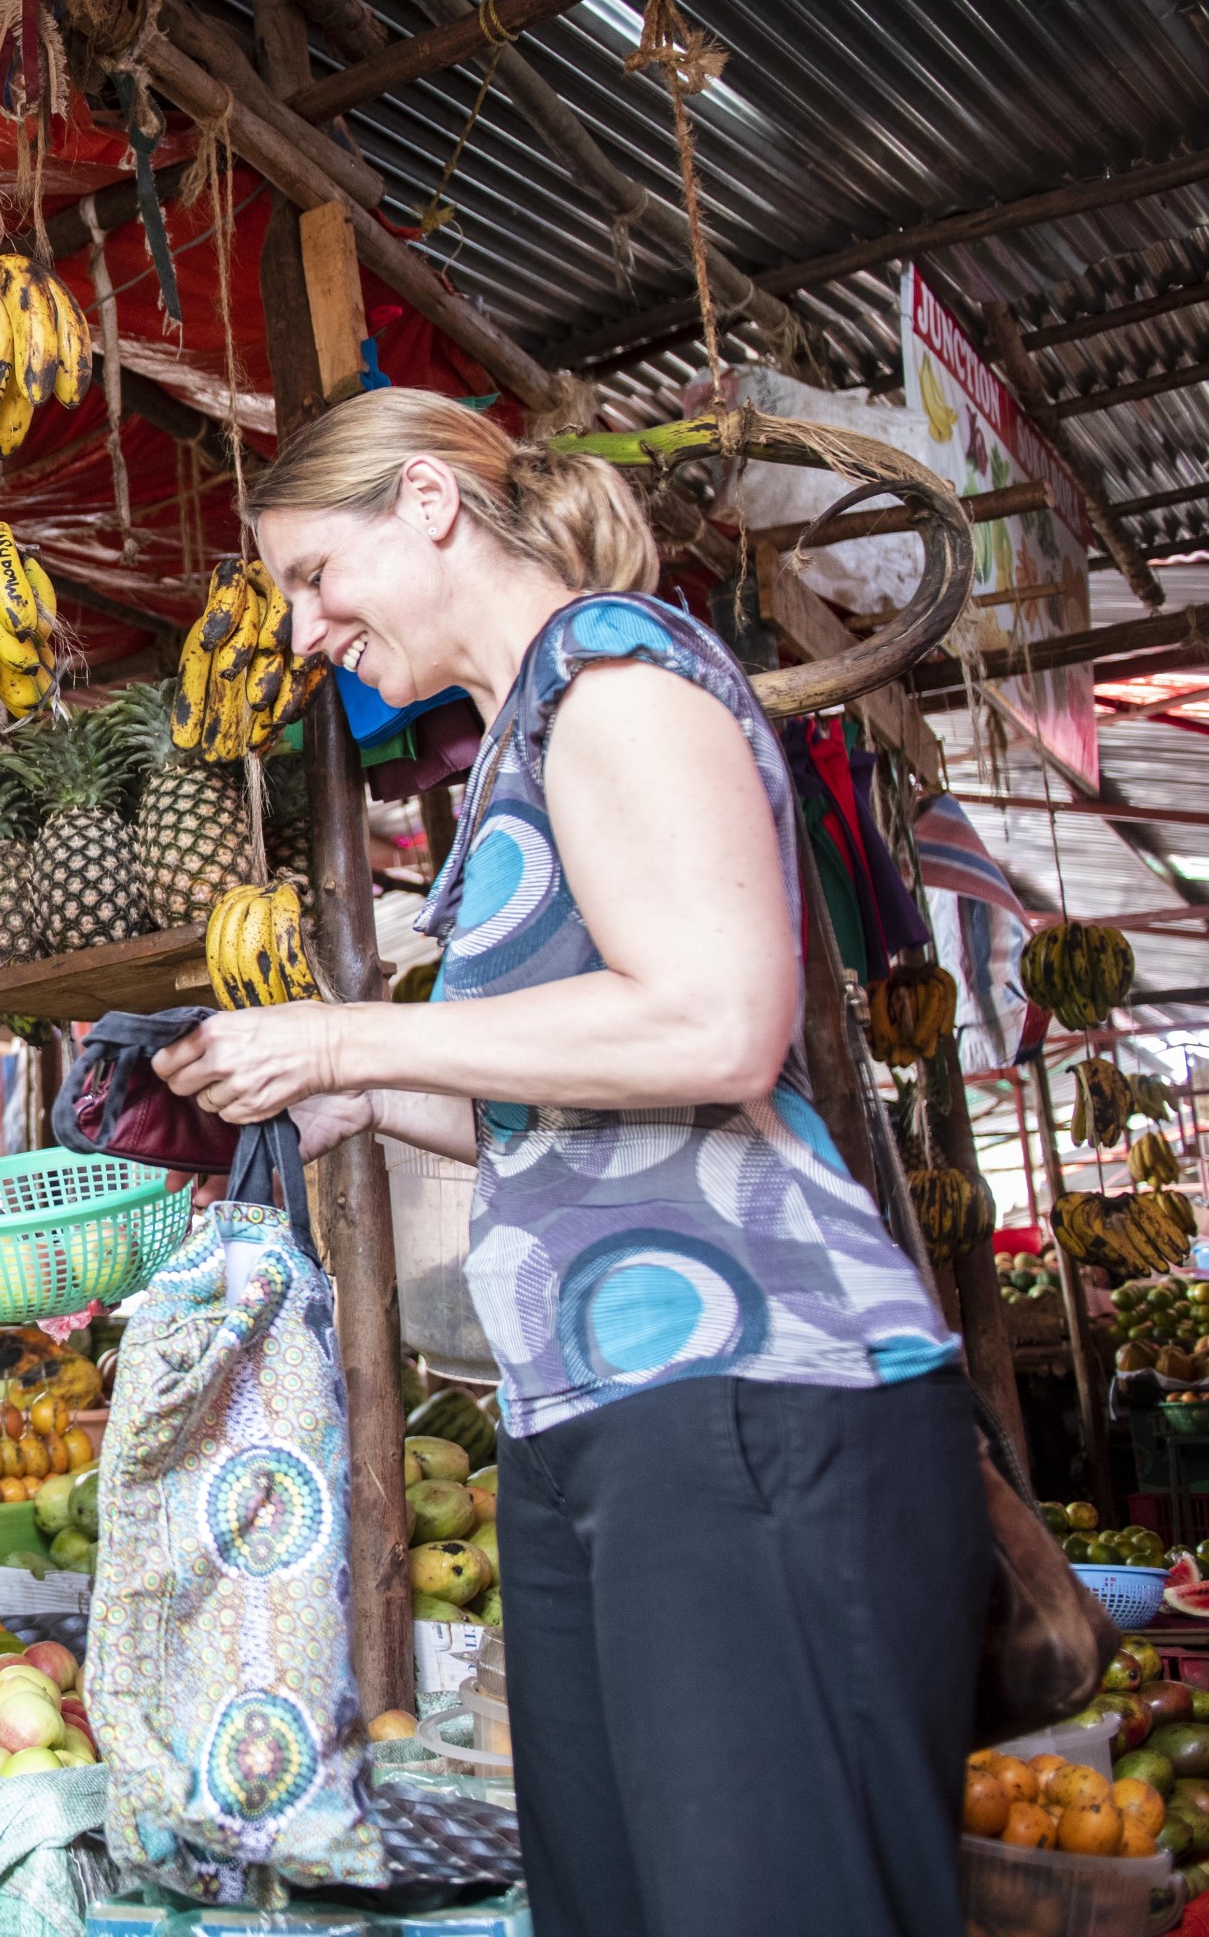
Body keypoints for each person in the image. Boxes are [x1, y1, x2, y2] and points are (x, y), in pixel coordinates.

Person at [155, 390, 985, 1937]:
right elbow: (568, 1100)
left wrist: (355, 1042)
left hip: (747, 1395)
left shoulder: (616, 674)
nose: (302, 627)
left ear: (427, 504)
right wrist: (354, 1100)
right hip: (600, 1414)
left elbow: (719, 1026)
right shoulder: (522, 738)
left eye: (313, 576)